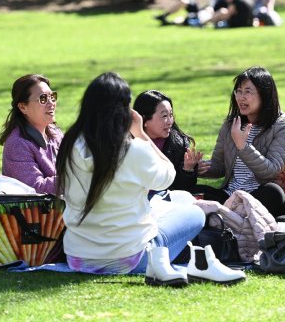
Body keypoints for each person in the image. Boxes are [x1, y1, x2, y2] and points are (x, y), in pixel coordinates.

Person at [56, 72, 205, 280]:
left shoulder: (70, 144)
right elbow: (168, 176)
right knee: (195, 213)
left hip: (77, 256)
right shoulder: (133, 149)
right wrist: (142, 135)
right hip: (130, 258)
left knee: (162, 206)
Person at [195, 66, 285, 217]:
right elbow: (219, 166)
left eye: (248, 92)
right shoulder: (232, 124)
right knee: (187, 190)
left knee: (274, 192)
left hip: (261, 197)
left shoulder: (284, 127)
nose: (241, 97)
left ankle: (223, 215)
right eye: (238, 91)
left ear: (265, 95)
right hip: (230, 196)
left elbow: (271, 171)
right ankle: (230, 214)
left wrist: (243, 146)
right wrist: (195, 167)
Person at [0, 74, 63, 194]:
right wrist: (77, 179)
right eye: (43, 99)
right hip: (34, 212)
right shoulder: (17, 144)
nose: (51, 103)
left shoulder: (56, 133)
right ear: (23, 107)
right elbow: (35, 187)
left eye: (52, 96)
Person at [133, 90, 202, 191]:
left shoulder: (178, 144)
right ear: (144, 120)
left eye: (171, 115)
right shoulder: (127, 144)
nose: (170, 121)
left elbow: (183, 189)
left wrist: (188, 169)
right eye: (164, 116)